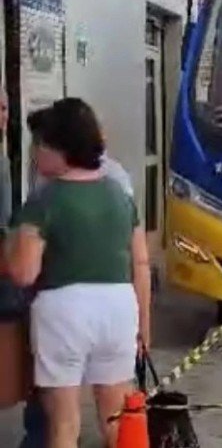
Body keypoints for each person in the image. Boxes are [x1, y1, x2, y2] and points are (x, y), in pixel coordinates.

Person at [7, 98, 151, 448]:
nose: (36, 153)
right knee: (117, 421)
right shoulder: (119, 195)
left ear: (59, 149)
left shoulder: (45, 200)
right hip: (119, 309)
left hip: (64, 313)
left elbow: (25, 273)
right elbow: (141, 265)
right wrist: (143, 328)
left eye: (40, 145)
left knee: (64, 426)